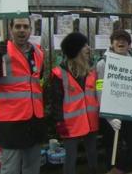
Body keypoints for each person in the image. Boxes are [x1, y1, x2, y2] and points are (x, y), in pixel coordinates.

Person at [0, 18, 45, 174]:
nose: (22, 30)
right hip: (11, 122)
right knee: (10, 169)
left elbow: (37, 81)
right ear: (10, 29)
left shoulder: (38, 52)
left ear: (31, 30)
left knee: (32, 168)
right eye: (17, 26)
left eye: (25, 26)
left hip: (35, 119)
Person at [48, 32, 99, 174]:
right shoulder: (59, 74)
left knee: (93, 155)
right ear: (76, 50)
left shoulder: (91, 71)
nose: (88, 48)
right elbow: (56, 102)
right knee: (70, 158)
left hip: (91, 120)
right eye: (84, 46)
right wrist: (59, 122)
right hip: (70, 124)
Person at [96, 29, 132, 174]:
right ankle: (112, 169)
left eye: (124, 40)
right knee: (111, 147)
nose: (121, 42)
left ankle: (121, 169)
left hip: (128, 111)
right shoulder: (102, 64)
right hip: (110, 114)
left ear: (129, 45)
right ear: (111, 43)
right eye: (117, 39)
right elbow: (99, 90)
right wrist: (109, 117)